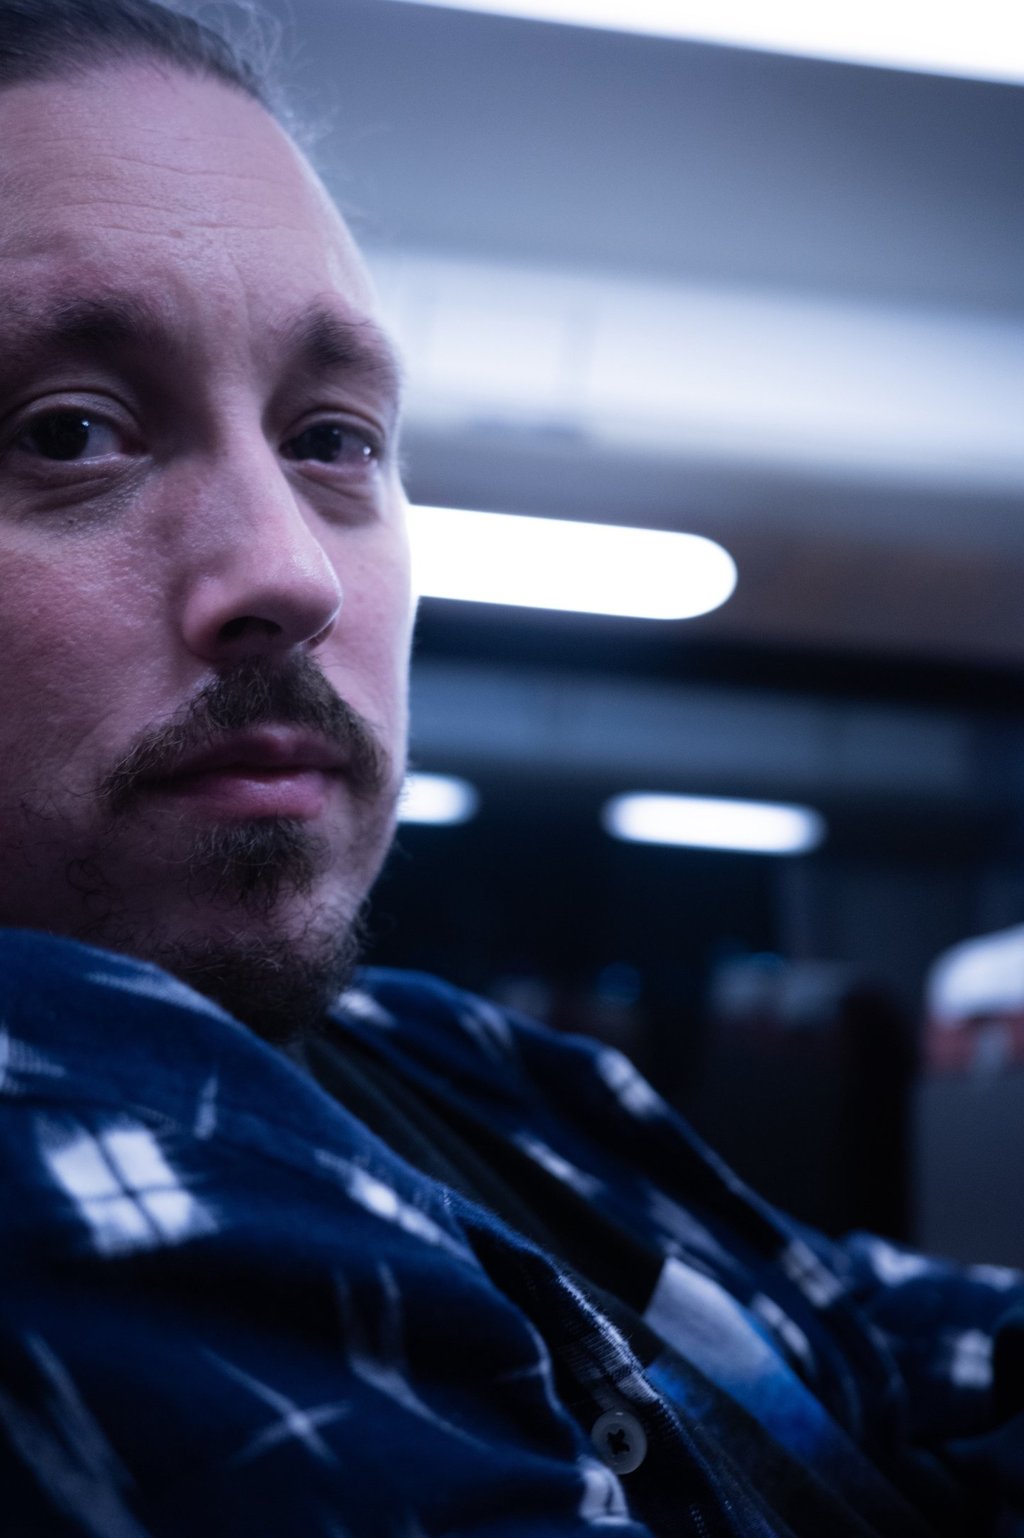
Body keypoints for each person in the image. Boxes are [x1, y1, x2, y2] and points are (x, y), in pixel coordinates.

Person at [0, 4, 1019, 1534]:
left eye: (333, 439)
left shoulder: (452, 1059)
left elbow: (892, 1342)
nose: (294, 572)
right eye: (72, 430)